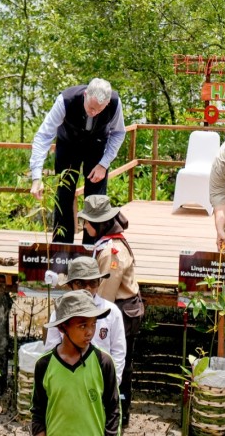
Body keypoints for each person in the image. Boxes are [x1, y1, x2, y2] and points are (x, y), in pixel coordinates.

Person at [29, 78, 126, 243]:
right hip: (68, 146)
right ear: (85, 94)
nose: (94, 112)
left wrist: (104, 164)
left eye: (99, 109)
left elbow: (118, 133)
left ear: (107, 103)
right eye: (91, 107)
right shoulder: (65, 100)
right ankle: (61, 246)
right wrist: (36, 177)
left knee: (96, 200)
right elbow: (44, 136)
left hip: (97, 150)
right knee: (64, 197)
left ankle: (93, 247)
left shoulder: (115, 103)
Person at [80, 194, 144, 425]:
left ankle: (118, 413)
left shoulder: (110, 252)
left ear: (99, 223)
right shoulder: (109, 243)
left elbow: (103, 294)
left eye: (87, 222)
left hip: (120, 310)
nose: (85, 226)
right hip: (125, 307)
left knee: (116, 360)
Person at [31, 289, 121, 436]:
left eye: (93, 324)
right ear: (62, 327)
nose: (90, 332)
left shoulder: (103, 362)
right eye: (82, 326)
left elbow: (113, 411)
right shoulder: (44, 364)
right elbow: (38, 411)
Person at [44, 256, 126, 388]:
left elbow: (118, 352)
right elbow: (51, 350)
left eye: (93, 283)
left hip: (101, 381)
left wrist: (112, 383)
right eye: (81, 283)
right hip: (67, 380)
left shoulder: (112, 312)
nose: (87, 288)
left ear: (99, 283)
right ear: (71, 285)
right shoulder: (59, 314)